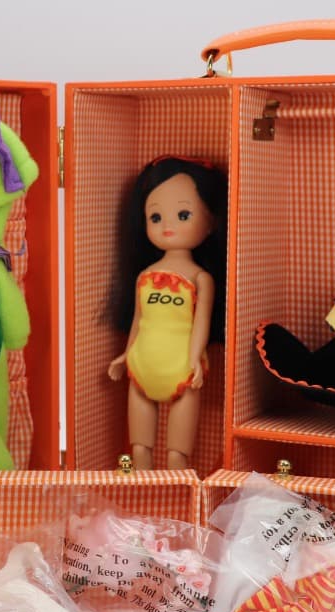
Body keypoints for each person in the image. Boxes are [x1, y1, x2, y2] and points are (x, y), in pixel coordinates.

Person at [106, 156, 226, 470]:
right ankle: (141, 492)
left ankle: (179, 495)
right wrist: (125, 355)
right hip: (141, 364)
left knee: (177, 454)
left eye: (183, 215)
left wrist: (195, 358)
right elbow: (139, 320)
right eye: (155, 217)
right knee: (139, 448)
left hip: (182, 367)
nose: (167, 226)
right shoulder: (145, 275)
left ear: (211, 222)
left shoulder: (200, 278)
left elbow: (201, 323)